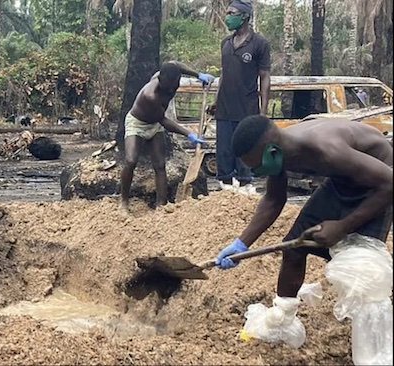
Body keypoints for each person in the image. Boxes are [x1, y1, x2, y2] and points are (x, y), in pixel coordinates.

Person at [215, 114, 392, 299]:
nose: (258, 174)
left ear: (272, 153)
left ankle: (371, 319)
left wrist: (343, 226)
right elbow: (274, 199)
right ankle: (283, 317)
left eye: (259, 168)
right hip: (342, 179)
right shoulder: (277, 153)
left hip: (380, 181)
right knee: (293, 248)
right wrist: (241, 244)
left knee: (361, 268)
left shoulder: (326, 150)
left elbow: (389, 184)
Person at [119, 61, 215, 212]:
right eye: (168, 86)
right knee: (131, 161)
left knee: (160, 165)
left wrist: (198, 75)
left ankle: (161, 206)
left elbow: (176, 64)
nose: (171, 89)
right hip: (137, 123)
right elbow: (163, 121)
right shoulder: (150, 95)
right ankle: (124, 202)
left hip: (154, 124)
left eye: (175, 84)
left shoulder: (171, 77)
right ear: (160, 79)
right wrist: (189, 134)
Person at [212, 0, 271, 187]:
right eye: (227, 13)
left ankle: (245, 188)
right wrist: (215, 100)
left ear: (244, 17)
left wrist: (263, 111)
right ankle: (225, 188)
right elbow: (223, 74)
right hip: (224, 108)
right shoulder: (226, 43)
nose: (227, 17)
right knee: (223, 151)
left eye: (231, 13)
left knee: (245, 151)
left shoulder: (259, 43)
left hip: (247, 108)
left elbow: (265, 77)